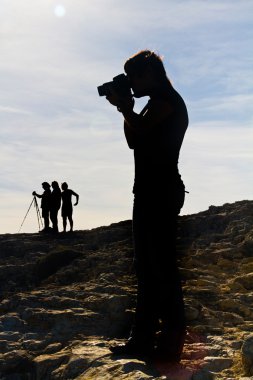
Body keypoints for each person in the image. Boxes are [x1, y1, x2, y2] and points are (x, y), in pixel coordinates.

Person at [105, 50, 188, 362]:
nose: (131, 83)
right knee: (146, 269)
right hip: (149, 191)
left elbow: (140, 129)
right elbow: (134, 139)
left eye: (133, 76)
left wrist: (126, 107)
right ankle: (141, 340)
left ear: (150, 73)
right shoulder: (153, 103)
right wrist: (126, 109)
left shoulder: (167, 100)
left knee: (162, 269)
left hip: (162, 191)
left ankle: (169, 345)